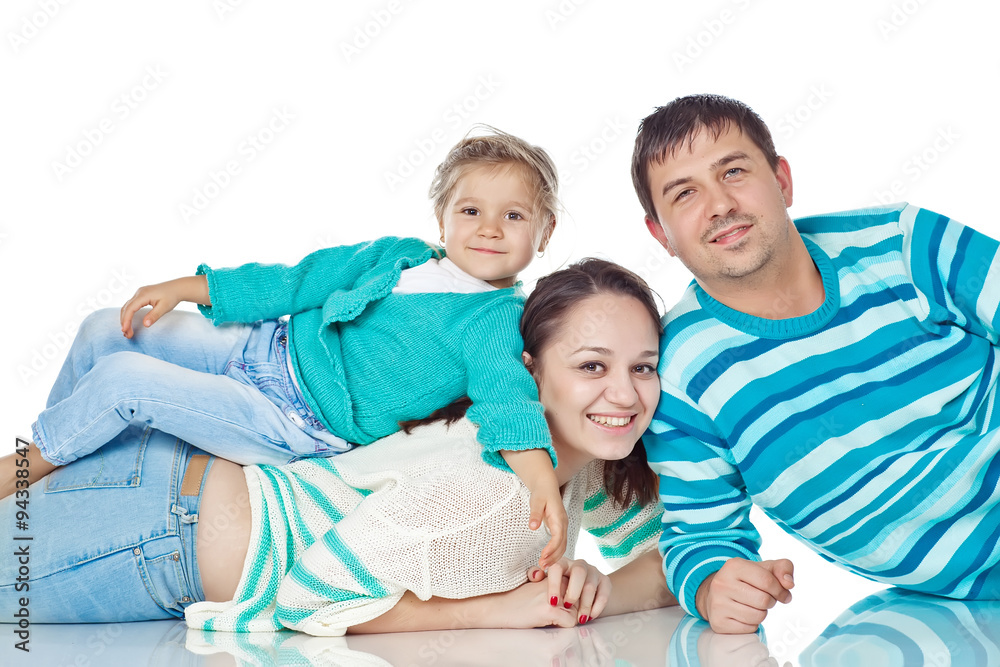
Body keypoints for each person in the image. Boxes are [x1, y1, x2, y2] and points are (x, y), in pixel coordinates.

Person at [0, 258, 676, 635]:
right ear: (529, 370)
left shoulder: (582, 466)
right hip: (156, 526)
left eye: (642, 366)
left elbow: (668, 560)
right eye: (592, 366)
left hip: (173, 497)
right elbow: (306, 596)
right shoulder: (494, 488)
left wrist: (596, 590)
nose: (623, 393)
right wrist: (502, 610)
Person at [2, 127, 569, 566]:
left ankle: (20, 474)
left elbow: (506, 397)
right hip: (261, 349)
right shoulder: (398, 255)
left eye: (513, 216)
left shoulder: (495, 320)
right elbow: (295, 280)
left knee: (123, 381)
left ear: (542, 235)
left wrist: (539, 472)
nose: (489, 228)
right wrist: (186, 287)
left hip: (291, 419)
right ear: (442, 219)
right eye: (471, 210)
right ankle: (51, 483)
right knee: (106, 329)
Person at [632, 94, 1000, 634]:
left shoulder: (902, 241)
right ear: (661, 234)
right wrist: (714, 586)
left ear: (781, 180)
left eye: (733, 171)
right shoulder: (681, 373)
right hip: (961, 614)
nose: (719, 205)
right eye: (685, 194)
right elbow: (701, 538)